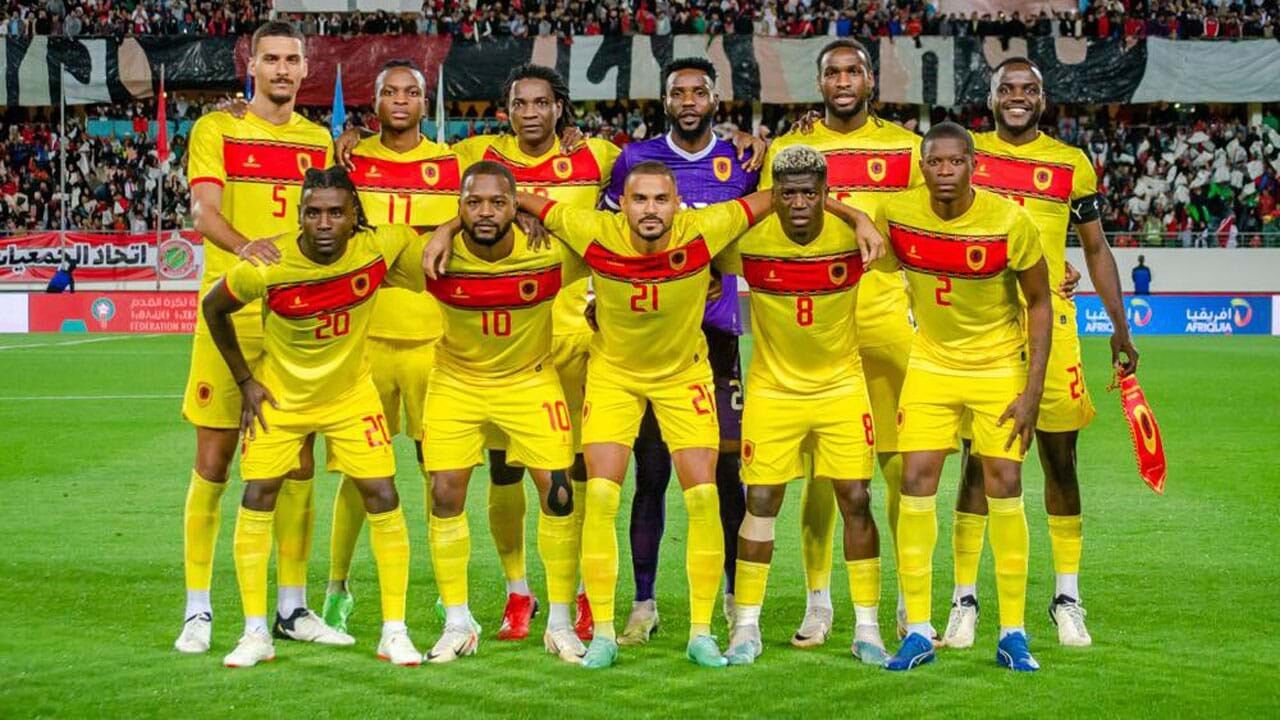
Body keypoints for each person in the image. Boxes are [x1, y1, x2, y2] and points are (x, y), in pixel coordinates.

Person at [426, 162, 880, 669]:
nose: (650, 209)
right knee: (601, 498)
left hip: (683, 377)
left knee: (704, 499)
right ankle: (602, 633)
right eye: (639, 199)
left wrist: (855, 216)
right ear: (621, 203)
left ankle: (702, 633)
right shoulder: (593, 230)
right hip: (614, 377)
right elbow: (519, 200)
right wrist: (449, 226)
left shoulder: (705, 229)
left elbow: (780, 195)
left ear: (677, 204)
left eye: (661, 199)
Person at [201, 166, 427, 668]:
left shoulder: (379, 247)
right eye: (313, 213)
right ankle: (255, 632)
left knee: (383, 493)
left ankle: (394, 631)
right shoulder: (269, 263)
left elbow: (432, 238)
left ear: (354, 216)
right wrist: (245, 380)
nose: (324, 223)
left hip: (350, 395)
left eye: (335, 213)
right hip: (280, 399)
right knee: (259, 494)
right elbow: (213, 307)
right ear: (299, 215)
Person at [949, 57, 1139, 649]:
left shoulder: (1070, 163)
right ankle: (964, 600)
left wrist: (1120, 327)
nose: (1017, 97)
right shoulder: (967, 152)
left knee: (1061, 461)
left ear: (1042, 98)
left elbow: (1096, 248)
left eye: (1028, 89)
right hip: (982, 323)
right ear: (990, 97)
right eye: (1006, 88)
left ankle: (1067, 598)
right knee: (978, 463)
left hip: (1052, 325)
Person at [175, 21, 337, 655]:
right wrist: (250, 250)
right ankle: (197, 609)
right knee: (214, 462)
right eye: (271, 58)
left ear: (305, 68)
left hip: (295, 322)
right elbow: (203, 211)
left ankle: (292, 606)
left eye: (292, 59)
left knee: (297, 462)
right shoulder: (217, 129)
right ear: (252, 64)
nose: (282, 69)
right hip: (231, 315)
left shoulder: (318, 140)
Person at [762, 38, 920, 647]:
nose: (844, 80)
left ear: (871, 80)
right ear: (820, 82)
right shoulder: (790, 149)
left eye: (854, 71)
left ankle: (908, 600)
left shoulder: (906, 149)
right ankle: (818, 602)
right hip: (813, 333)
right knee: (821, 478)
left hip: (886, 323)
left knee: (902, 470)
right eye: (834, 72)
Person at [880, 123, 1051, 673]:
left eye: (956, 162)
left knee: (1005, 483)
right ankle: (919, 631)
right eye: (936, 162)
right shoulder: (897, 214)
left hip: (998, 366)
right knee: (915, 481)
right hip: (931, 363)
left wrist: (1032, 392)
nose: (946, 171)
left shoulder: (1009, 221)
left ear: (974, 165)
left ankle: (1013, 633)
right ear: (923, 167)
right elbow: (860, 238)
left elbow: (1040, 301)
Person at [602, 57, 762, 644]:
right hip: (648, 337)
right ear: (664, 100)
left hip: (715, 340)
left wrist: (763, 144)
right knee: (651, 474)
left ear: (716, 100)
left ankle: (732, 597)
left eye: (699, 91)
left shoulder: (742, 161)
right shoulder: (634, 160)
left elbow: (765, 216)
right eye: (678, 92)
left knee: (724, 473)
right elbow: (605, 233)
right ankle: (643, 603)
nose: (689, 100)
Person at [715, 145, 891, 667]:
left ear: (824, 194)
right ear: (774, 195)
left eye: (809, 194)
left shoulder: (855, 238)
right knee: (761, 500)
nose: (797, 204)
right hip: (773, 391)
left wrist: (855, 216)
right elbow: (694, 247)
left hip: (841, 388)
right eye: (787, 193)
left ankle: (867, 629)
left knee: (855, 499)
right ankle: (746, 628)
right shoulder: (746, 243)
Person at [421, 161, 588, 665]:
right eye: (473, 203)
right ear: (458, 208)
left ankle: (560, 623)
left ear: (516, 206)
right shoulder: (432, 254)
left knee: (559, 494)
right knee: (443, 493)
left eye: (498, 202)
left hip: (530, 380)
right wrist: (442, 231)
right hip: (456, 382)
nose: (486, 212)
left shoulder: (549, 251)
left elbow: (608, 242)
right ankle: (458, 623)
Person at [321, 59, 461, 635]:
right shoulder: (349, 162)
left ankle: (447, 594)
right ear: (374, 102)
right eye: (390, 92)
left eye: (411, 92)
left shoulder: (453, 163)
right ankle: (336, 588)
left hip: (435, 342)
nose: (401, 101)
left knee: (439, 474)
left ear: (425, 103)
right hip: (365, 344)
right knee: (360, 476)